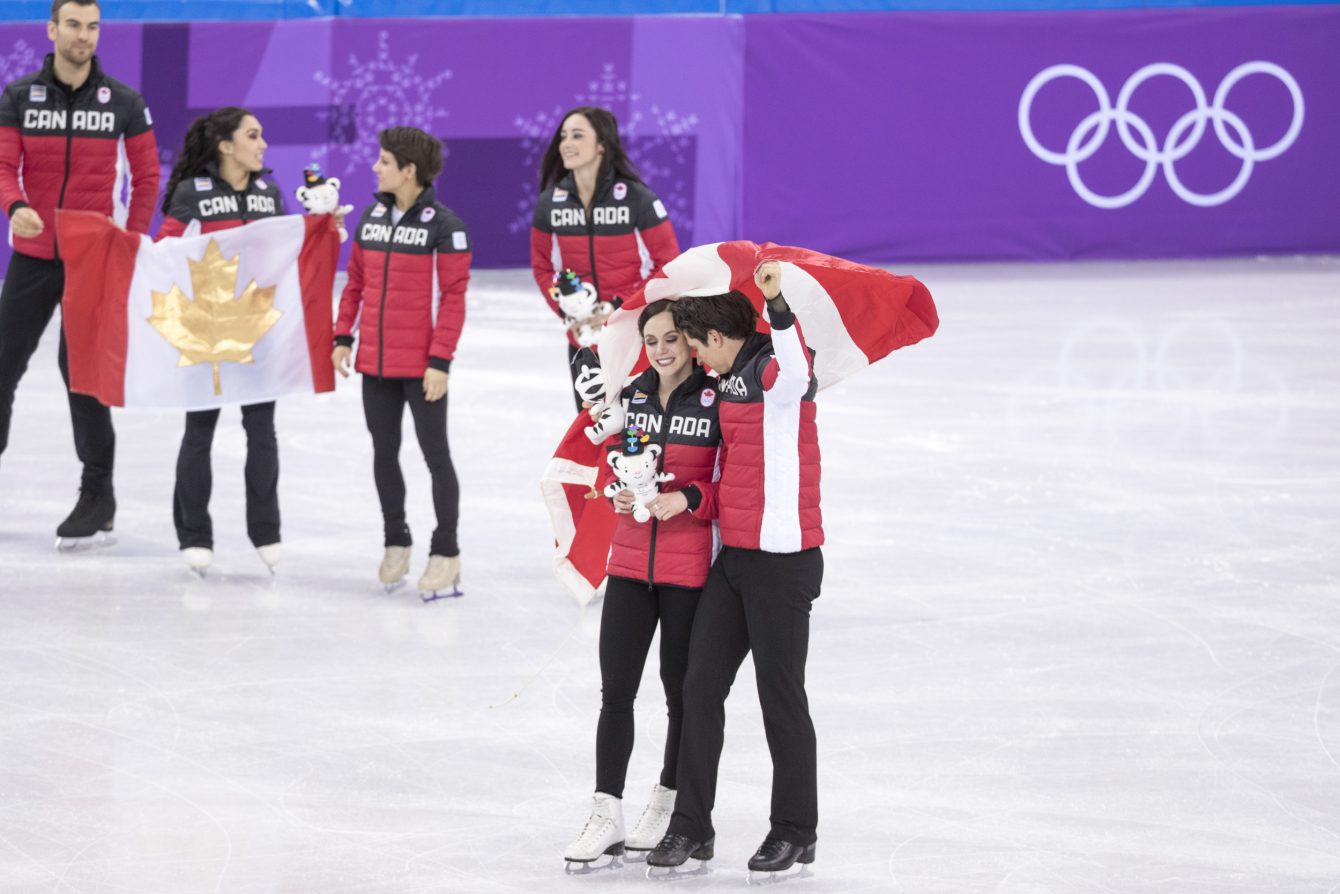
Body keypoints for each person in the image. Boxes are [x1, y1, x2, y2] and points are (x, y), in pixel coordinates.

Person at [648, 263, 825, 875]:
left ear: (717, 339)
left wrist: (775, 302)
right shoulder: (726, 386)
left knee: (780, 697)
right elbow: (729, 477)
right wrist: (692, 499)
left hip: (784, 564)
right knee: (698, 689)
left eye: (697, 346)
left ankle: (795, 830)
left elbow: (797, 367)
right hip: (736, 561)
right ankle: (692, 828)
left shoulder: (778, 376)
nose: (697, 357)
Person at [563, 300, 721, 867]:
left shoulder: (717, 398)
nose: (661, 349)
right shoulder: (630, 397)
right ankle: (607, 811)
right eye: (651, 340)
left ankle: (668, 801)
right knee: (616, 693)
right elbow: (607, 454)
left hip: (688, 570)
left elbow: (729, 480)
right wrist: (616, 492)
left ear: (692, 340)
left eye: (672, 337)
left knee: (680, 694)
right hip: (629, 565)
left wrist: (689, 498)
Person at [0, 0, 158, 547]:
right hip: (33, 254)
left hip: (94, 261)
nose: (83, 36)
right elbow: (2, 165)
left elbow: (146, 175)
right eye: (73, 25)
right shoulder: (20, 96)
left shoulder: (125, 102)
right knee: (1, 366)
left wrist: (129, 242)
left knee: (83, 376)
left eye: (92, 27)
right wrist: (13, 203)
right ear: (52, 30)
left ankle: (98, 495)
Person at [333, 127, 470, 598]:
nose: (376, 167)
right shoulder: (371, 216)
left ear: (408, 171)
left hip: (423, 368)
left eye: (384, 161)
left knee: (436, 457)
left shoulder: (444, 224)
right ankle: (396, 540)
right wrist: (342, 336)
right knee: (383, 451)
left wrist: (440, 361)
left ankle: (446, 551)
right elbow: (354, 284)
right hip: (375, 364)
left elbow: (454, 298)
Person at [155, 107, 287, 574]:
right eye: (253, 135)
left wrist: (323, 233)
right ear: (226, 146)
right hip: (208, 333)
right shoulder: (193, 193)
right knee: (199, 434)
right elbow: (163, 253)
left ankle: (266, 531)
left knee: (262, 434)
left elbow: (288, 254)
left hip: (257, 332)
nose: (263, 143)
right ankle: (194, 535)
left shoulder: (270, 193)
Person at [529, 106, 679, 411]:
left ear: (602, 145)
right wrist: (567, 310)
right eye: (563, 136)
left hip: (632, 333)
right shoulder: (549, 203)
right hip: (582, 340)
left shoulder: (638, 198)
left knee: (637, 436)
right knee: (593, 429)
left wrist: (620, 305)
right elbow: (542, 265)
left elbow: (668, 263)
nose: (566, 144)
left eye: (578, 135)